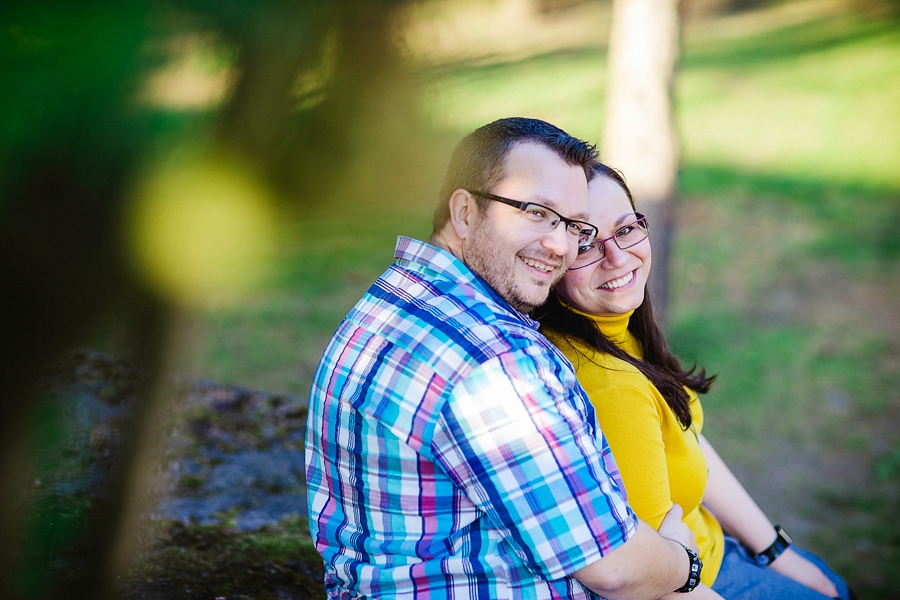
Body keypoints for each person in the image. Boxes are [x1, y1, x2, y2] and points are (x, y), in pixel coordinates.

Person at [305, 118, 717, 599]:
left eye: (571, 226)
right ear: (464, 211)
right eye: (537, 212)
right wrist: (682, 560)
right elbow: (616, 570)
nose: (559, 246)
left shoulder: (391, 300)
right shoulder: (495, 363)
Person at [537, 161, 854, 600]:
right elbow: (653, 582)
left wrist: (775, 551)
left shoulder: (613, 328)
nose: (617, 257)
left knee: (831, 584)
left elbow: (684, 438)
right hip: (705, 585)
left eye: (626, 229)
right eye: (587, 243)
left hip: (720, 552)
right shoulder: (612, 388)